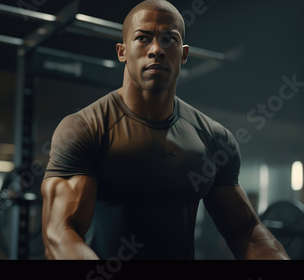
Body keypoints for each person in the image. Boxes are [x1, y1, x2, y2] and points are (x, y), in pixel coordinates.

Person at [40, 0, 290, 260]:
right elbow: (60, 235)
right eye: (143, 38)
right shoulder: (85, 128)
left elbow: (247, 232)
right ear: (122, 51)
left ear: (183, 54)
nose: (156, 49)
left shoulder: (214, 139)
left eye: (169, 39)